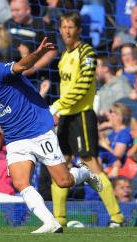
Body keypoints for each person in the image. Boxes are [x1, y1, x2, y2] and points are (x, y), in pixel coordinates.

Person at [0, 37, 103, 234]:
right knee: (20, 182)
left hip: (38, 129)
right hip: (15, 139)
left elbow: (22, 65)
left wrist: (38, 53)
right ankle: (51, 223)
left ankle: (84, 172)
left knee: (64, 182)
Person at [47, 12, 124, 228]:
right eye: (64, 27)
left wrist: (57, 106)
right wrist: (60, 109)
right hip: (66, 118)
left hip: (82, 115)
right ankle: (59, 220)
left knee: (92, 164)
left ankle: (116, 217)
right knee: (59, 165)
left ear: (79, 30)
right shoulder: (63, 57)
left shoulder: (87, 52)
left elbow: (82, 87)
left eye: (71, 27)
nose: (67, 31)